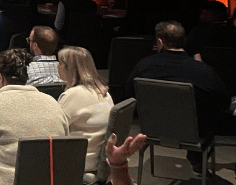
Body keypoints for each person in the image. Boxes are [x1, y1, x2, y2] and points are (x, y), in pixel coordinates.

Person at [124, 21, 228, 173]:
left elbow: (129, 94)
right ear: (184, 41)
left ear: (159, 42)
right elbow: (223, 102)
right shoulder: (204, 71)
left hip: (153, 129)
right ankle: (198, 161)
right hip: (195, 133)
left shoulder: (144, 66)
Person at [0, 48, 69, 185]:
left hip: (7, 181)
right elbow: (64, 142)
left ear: (0, 77)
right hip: (49, 180)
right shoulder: (53, 103)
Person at [56, 46, 114, 173]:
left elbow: (53, 129)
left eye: (60, 63)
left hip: (77, 162)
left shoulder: (73, 95)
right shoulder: (104, 92)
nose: (57, 66)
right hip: (97, 161)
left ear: (71, 67)